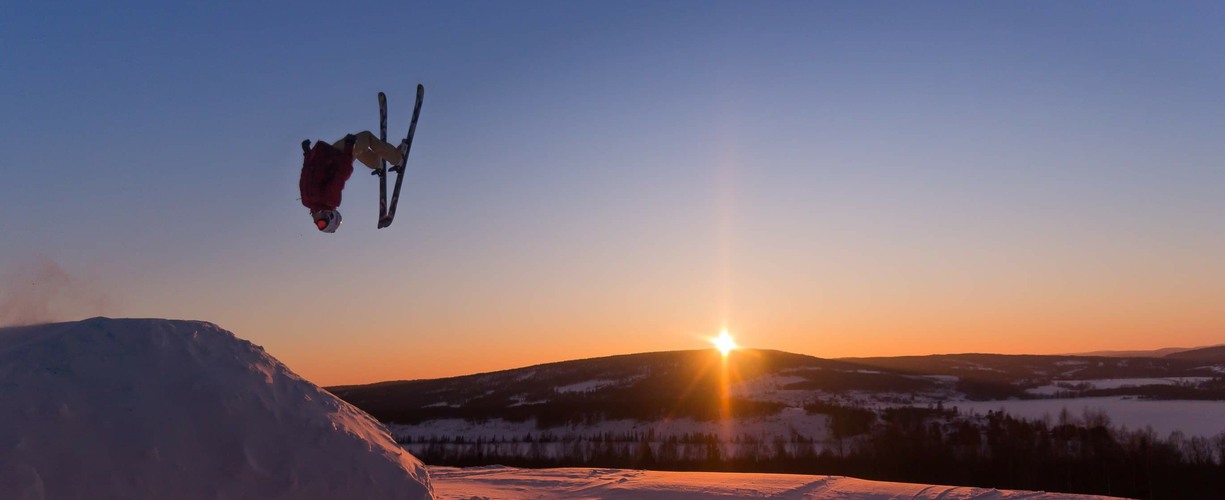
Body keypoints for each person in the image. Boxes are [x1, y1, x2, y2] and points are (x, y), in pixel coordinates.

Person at [299, 131, 405, 233]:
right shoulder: (330, 199)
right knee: (366, 137)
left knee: (357, 150)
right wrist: (349, 147)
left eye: (318, 224)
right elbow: (342, 173)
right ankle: (398, 159)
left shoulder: (307, 201)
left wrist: (307, 155)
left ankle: (377, 163)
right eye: (321, 223)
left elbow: (306, 174)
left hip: (328, 154)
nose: (315, 221)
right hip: (337, 157)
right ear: (329, 215)